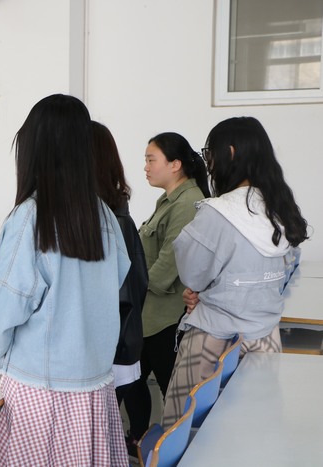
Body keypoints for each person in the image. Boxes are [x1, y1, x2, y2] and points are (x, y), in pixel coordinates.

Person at [0, 94, 131, 466]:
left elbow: (6, 306)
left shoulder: (30, 217)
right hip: (93, 381)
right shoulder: (103, 214)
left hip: (40, 386)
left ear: (35, 149)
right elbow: (118, 277)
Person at [161, 117, 308, 425]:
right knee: (251, 430)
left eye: (209, 153)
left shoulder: (217, 213)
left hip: (213, 344)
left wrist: (201, 292)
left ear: (228, 152)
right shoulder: (280, 209)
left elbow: (193, 276)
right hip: (265, 340)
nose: (208, 162)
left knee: (191, 431)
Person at [122, 132, 210, 450]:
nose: (145, 167)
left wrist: (129, 290)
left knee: (170, 392)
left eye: (151, 160)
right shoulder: (170, 199)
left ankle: (168, 449)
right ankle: (139, 440)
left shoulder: (186, 203)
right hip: (151, 314)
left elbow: (165, 267)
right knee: (132, 381)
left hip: (164, 316)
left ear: (175, 164)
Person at [90, 121, 148, 403]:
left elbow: (120, 296)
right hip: (123, 344)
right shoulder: (118, 215)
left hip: (111, 352)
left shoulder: (108, 222)